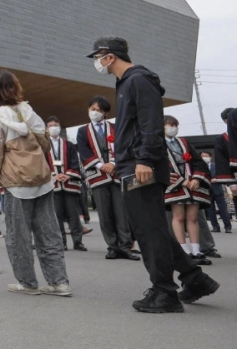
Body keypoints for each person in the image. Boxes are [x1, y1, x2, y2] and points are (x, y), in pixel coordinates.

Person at [87, 36, 218, 312]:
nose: (97, 62)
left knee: (148, 233)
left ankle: (164, 293)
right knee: (153, 229)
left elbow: (151, 122)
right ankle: (195, 279)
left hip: (140, 167)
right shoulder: (126, 83)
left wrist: (144, 160)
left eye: (98, 56)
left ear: (110, 56)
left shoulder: (137, 80)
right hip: (133, 165)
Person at [0, 71, 71, 297]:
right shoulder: (29, 110)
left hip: (17, 183)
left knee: (18, 236)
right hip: (42, 180)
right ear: (16, 87)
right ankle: (59, 282)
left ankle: (27, 283)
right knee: (49, 233)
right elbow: (46, 145)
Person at [77, 96, 137, 261]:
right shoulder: (83, 131)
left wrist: (112, 163)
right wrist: (100, 165)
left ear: (105, 113)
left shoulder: (115, 127)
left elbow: (125, 146)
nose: (95, 112)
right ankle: (112, 246)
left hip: (117, 174)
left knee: (122, 212)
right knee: (105, 214)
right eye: (92, 109)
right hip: (97, 176)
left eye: (99, 110)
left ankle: (126, 246)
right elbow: (83, 151)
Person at [161, 116, 212, 265]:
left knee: (193, 218)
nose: (174, 128)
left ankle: (196, 250)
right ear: (162, 126)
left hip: (192, 184)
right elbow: (160, 164)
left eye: (176, 125)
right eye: (170, 125)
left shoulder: (184, 142)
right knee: (178, 217)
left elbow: (198, 161)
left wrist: (196, 178)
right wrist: (181, 180)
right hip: (175, 184)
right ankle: (184, 251)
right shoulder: (158, 144)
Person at [45, 117, 87, 252]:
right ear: (46, 129)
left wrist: (67, 174)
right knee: (57, 215)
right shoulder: (44, 146)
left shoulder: (68, 145)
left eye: (55, 125)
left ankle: (78, 242)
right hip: (53, 185)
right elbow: (42, 164)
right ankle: (61, 242)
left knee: (73, 214)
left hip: (69, 183)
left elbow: (75, 161)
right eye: (50, 125)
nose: (53, 127)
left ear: (59, 127)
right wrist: (54, 175)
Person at [205, 149, 232, 234]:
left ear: (210, 157)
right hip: (207, 190)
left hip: (217, 189)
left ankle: (228, 227)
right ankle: (215, 227)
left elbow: (222, 175)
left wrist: (217, 179)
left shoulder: (216, 166)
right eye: (202, 156)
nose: (204, 158)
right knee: (210, 210)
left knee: (223, 209)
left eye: (206, 156)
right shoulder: (200, 167)